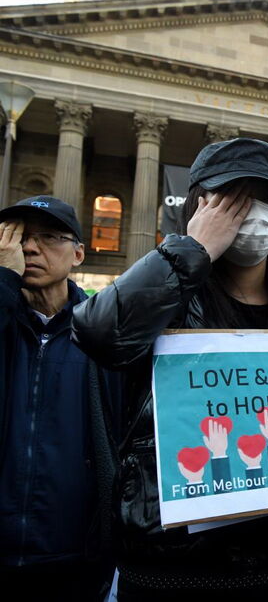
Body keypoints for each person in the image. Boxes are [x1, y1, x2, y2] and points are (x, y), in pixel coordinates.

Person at [71, 138, 268, 600]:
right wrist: (191, 250)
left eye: (265, 198)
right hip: (175, 568)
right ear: (198, 206)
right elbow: (99, 334)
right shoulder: (167, 295)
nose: (248, 210)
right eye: (231, 196)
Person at [0, 196, 123, 600]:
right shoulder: (6, 320)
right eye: (18, 237)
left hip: (75, 561)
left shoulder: (103, 334)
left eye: (47, 237)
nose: (29, 248)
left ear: (78, 254)